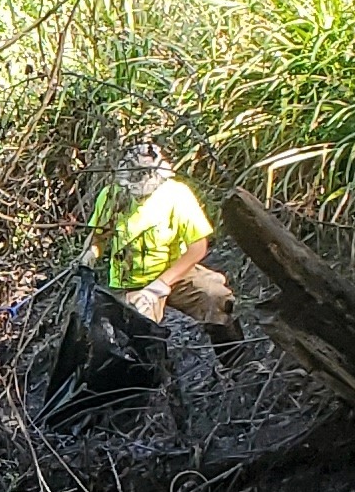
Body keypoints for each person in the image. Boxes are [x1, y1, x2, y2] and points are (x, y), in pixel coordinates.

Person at [85, 142, 246, 362]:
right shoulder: (112, 196)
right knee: (141, 328)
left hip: (175, 272)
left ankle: (237, 364)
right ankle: (159, 382)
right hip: (129, 281)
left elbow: (198, 246)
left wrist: (161, 285)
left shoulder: (176, 195)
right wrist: (90, 255)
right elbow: (99, 237)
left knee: (216, 298)